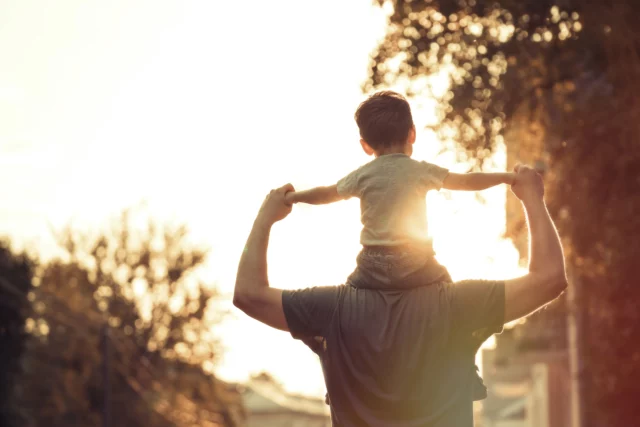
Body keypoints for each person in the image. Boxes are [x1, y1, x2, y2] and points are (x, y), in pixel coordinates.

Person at [234, 165, 567, 427]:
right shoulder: (459, 305)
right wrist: (532, 199)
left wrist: (266, 217)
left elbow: (248, 295)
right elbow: (550, 279)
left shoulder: (332, 309)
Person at [284, 91, 515, 291]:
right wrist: (507, 177)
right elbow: (466, 182)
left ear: (366, 145)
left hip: (372, 266)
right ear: (412, 134)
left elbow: (327, 194)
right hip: (416, 262)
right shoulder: (421, 171)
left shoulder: (363, 175)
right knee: (448, 290)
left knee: (346, 296)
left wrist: (293, 198)